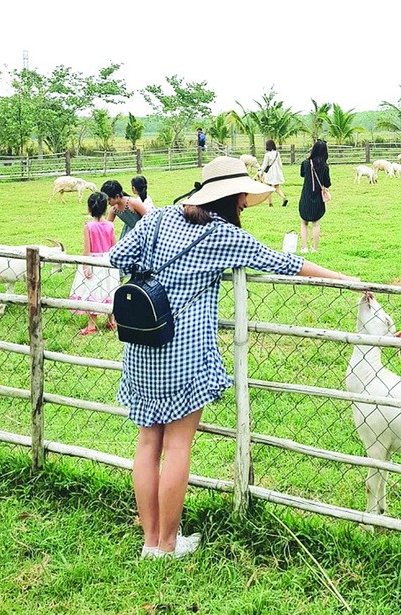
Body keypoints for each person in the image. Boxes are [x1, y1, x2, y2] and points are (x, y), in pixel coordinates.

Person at [109, 156, 355, 560]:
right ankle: (168, 544)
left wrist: (154, 273)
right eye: (243, 198)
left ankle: (150, 542)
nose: (244, 204)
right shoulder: (223, 235)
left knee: (148, 441)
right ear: (233, 197)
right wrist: (343, 278)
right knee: (178, 446)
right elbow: (286, 263)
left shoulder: (159, 218)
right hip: (183, 353)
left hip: (140, 347)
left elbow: (118, 257)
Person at [69, 192, 120, 335]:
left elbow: (87, 249)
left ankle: (91, 325)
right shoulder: (110, 225)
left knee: (93, 291)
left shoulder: (89, 226)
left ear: (89, 208)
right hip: (108, 262)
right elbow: (114, 246)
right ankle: (112, 321)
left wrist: (85, 266)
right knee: (109, 289)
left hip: (94, 262)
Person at [298, 139, 331, 254]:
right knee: (316, 224)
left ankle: (304, 248)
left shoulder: (305, 163)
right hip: (318, 198)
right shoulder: (325, 167)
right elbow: (327, 183)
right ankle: (315, 249)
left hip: (306, 196)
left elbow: (302, 174)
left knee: (304, 223)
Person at [260, 140, 288, 207]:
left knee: (268, 187)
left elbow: (265, 165)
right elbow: (280, 164)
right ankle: (284, 197)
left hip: (270, 172)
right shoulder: (277, 153)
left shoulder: (267, 155)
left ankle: (270, 203)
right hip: (277, 172)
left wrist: (261, 172)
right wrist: (280, 171)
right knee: (277, 187)